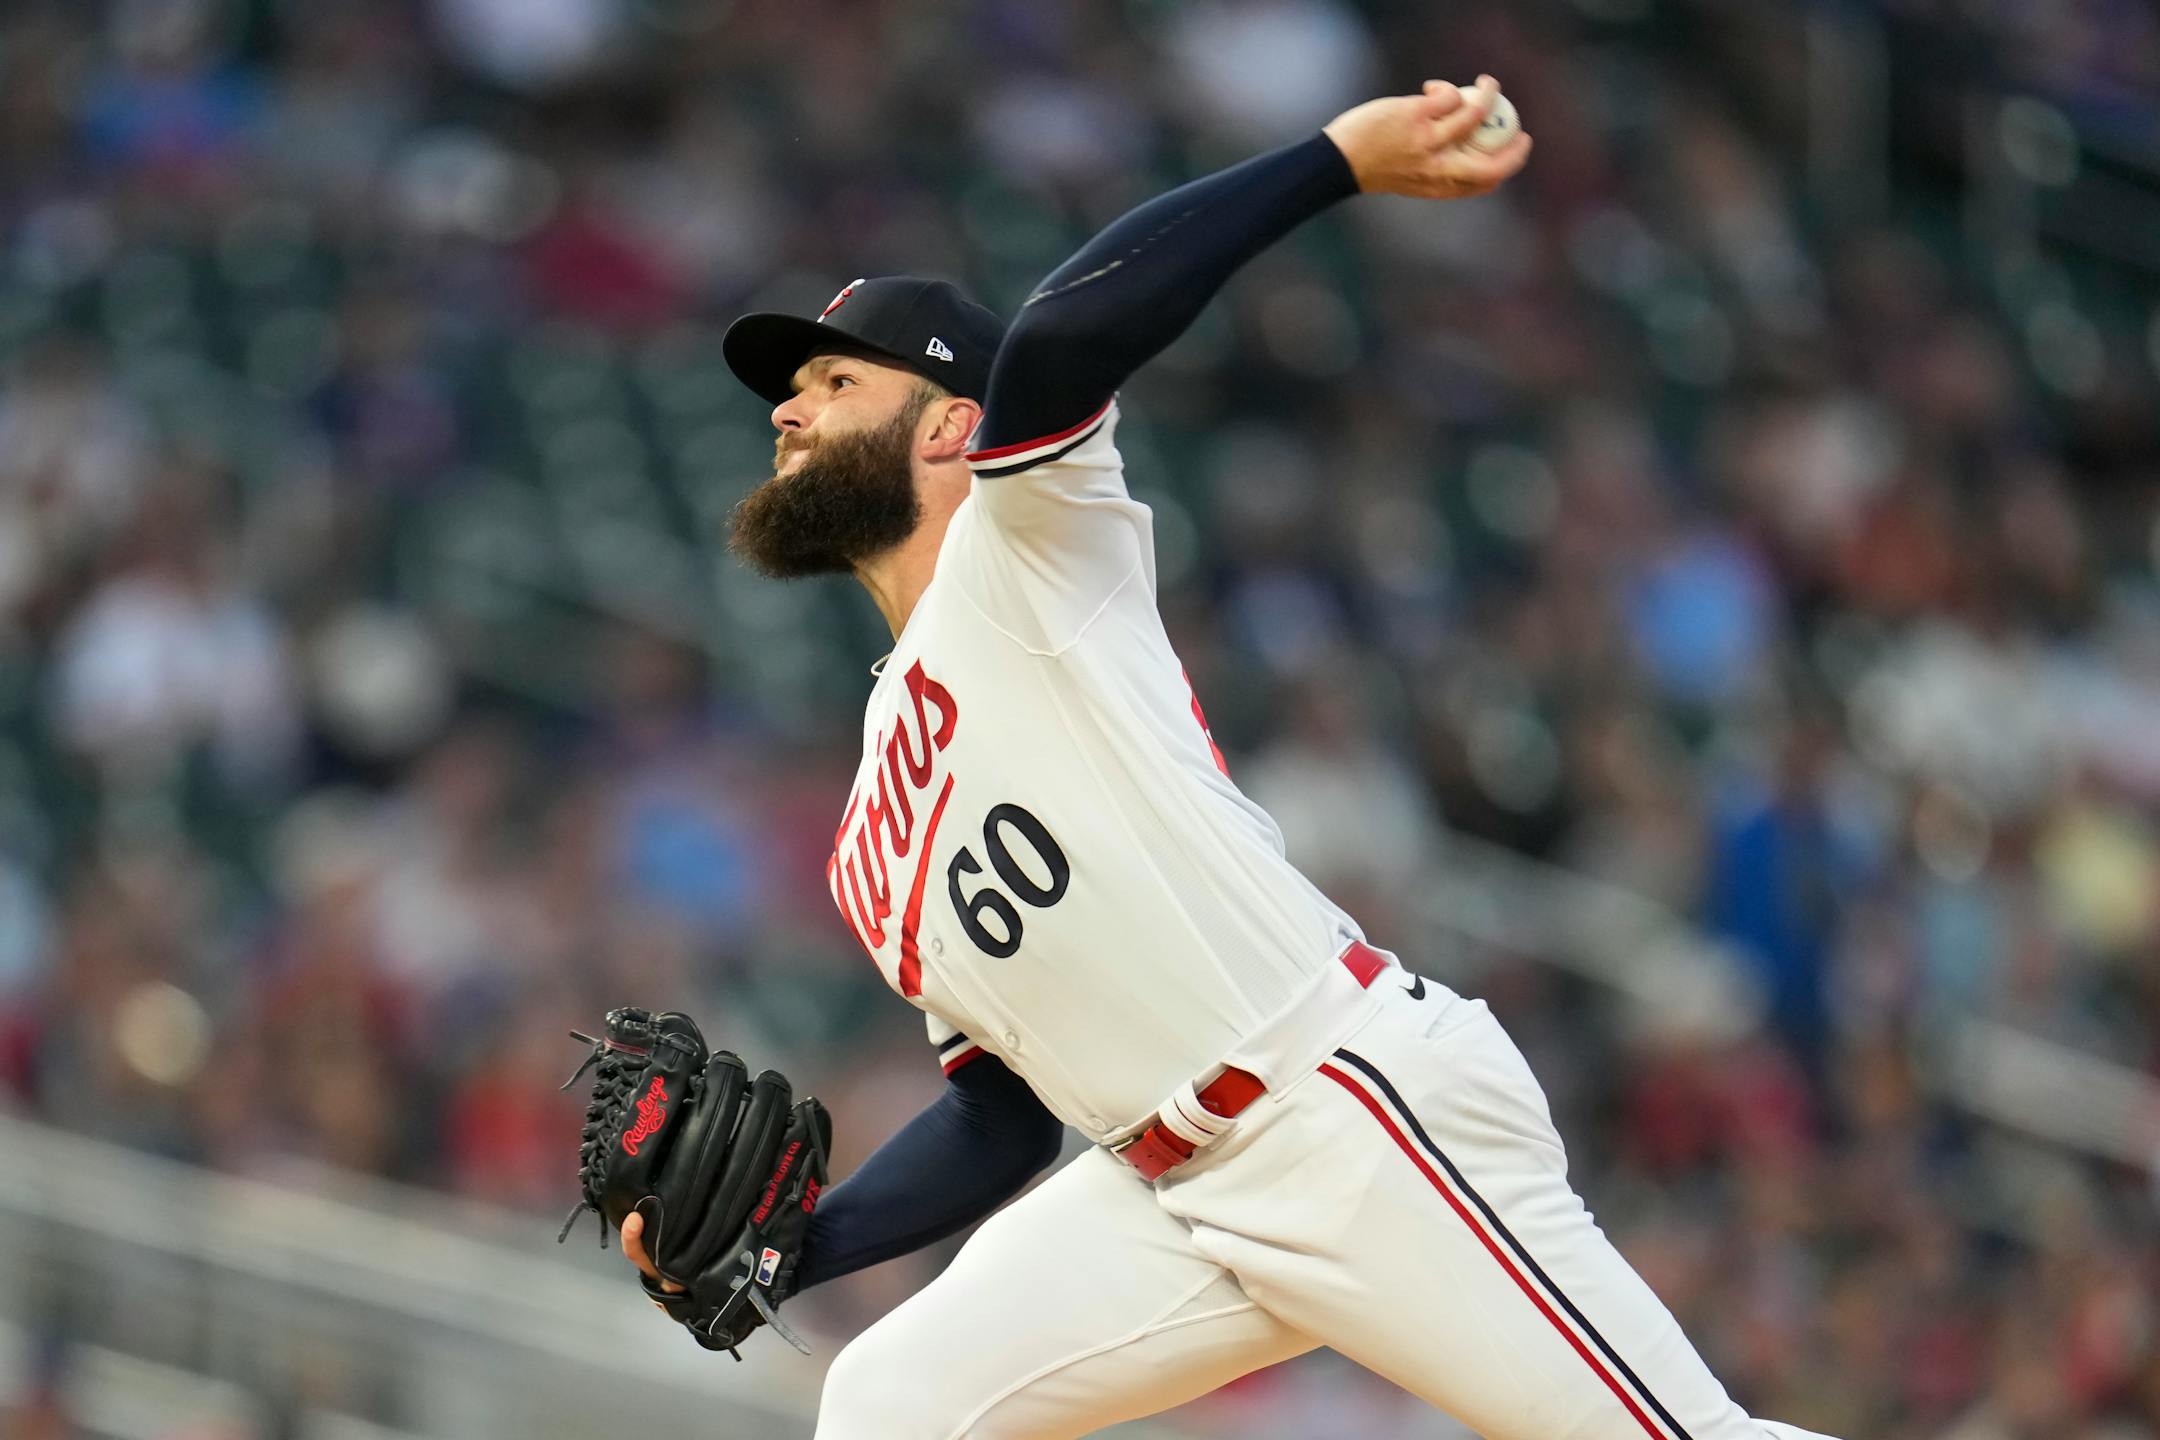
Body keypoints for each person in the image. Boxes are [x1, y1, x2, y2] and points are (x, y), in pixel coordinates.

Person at [626, 77, 1839, 1440]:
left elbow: (1067, 335)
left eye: (835, 382)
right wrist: (796, 1247)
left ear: (953, 422)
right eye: (791, 392)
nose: (787, 414)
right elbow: (1002, 1119)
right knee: (892, 1402)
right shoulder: (869, 837)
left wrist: (1333, 162)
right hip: (1167, 1194)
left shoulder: (1027, 553)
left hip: (1342, 1107)